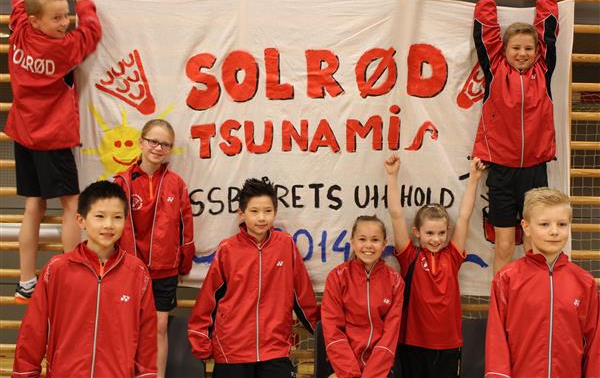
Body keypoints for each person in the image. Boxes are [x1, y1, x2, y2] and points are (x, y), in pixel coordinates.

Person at [6, 0, 102, 303]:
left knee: (33, 205)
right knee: (72, 205)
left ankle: (26, 280)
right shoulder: (62, 48)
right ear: (36, 20)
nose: (65, 23)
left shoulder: (20, 31)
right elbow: (91, 33)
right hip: (52, 139)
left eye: (66, 15)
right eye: (57, 18)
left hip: (23, 133)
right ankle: (72, 275)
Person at [12, 181, 157, 378]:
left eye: (117, 217)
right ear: (81, 220)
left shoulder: (137, 273)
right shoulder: (57, 270)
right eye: (100, 216)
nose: (108, 225)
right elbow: (33, 332)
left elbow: (147, 338)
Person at [187, 177, 319, 378]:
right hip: (232, 351)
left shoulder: (286, 245)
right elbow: (209, 299)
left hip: (275, 349)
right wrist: (200, 340)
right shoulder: (227, 249)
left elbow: (302, 295)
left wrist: (322, 331)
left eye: (268, 211)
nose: (262, 218)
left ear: (275, 212)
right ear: (241, 213)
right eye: (254, 211)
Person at [472, 0, 559, 274]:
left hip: (535, 170)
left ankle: (532, 299)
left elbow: (548, 28)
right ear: (504, 50)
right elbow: (485, 30)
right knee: (505, 247)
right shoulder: (495, 68)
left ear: (537, 51)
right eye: (516, 48)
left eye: (528, 49)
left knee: (535, 247)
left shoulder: (543, 70)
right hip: (501, 172)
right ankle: (501, 301)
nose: (522, 54)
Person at [385, 154, 485, 378]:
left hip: (449, 343)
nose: (436, 239)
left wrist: (474, 179)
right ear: (417, 232)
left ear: (448, 232)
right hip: (413, 342)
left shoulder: (453, 256)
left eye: (441, 233)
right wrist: (392, 176)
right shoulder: (409, 256)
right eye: (429, 233)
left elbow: (464, 217)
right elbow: (396, 215)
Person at [485, 187, 600, 378]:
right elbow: (496, 340)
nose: (554, 231)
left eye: (562, 224)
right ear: (526, 227)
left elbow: (595, 345)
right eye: (544, 224)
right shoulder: (507, 279)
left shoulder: (585, 283)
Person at [113, 119, 195, 378]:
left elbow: (186, 226)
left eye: (165, 144)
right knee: (129, 328)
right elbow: (112, 228)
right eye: (153, 141)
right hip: (129, 271)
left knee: (159, 327)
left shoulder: (176, 183)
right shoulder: (122, 182)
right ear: (141, 142)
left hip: (164, 270)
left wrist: (184, 263)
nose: (158, 148)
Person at [321, 215, 404, 378]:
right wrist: (350, 374)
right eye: (362, 239)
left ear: (384, 244)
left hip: (381, 368)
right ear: (352, 242)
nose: (368, 245)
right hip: (343, 367)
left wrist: (372, 375)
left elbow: (390, 335)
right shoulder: (337, 277)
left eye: (375, 240)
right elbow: (332, 329)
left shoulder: (395, 282)